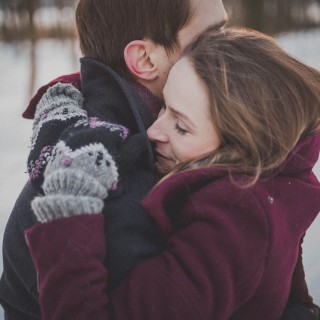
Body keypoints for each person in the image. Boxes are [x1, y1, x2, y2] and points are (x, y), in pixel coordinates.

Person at [24, 27, 320, 319]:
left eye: (181, 126)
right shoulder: (276, 180)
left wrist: (69, 209)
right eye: (163, 106)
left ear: (242, 145)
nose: (153, 131)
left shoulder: (236, 218)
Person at [0, 0, 228, 319]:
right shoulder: (109, 183)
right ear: (145, 59)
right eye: (212, 37)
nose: (231, 47)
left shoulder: (169, 137)